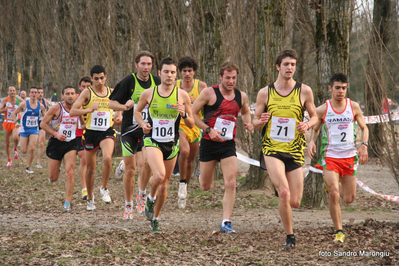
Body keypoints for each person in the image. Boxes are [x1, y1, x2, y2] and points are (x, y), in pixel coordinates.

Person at [253, 49, 318, 249]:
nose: (290, 68)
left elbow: (315, 117)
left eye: (293, 65)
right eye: (286, 64)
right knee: (284, 193)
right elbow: (255, 122)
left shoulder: (304, 91)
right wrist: (260, 121)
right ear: (278, 67)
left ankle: (281, 190)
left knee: (296, 201)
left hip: (295, 149)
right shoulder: (265, 92)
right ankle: (290, 237)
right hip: (272, 148)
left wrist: (307, 125)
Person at [192, 62, 254, 234]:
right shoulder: (209, 93)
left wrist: (247, 122)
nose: (231, 81)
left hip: (227, 144)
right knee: (205, 186)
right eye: (227, 77)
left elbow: (246, 111)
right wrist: (208, 130)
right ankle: (201, 175)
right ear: (220, 77)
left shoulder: (241, 96)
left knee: (231, 183)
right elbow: (192, 113)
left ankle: (226, 221)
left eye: (234, 78)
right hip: (209, 142)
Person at [134, 57, 194, 233]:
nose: (169, 75)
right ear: (160, 73)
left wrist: (184, 115)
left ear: (177, 75)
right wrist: (142, 124)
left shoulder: (182, 96)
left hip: (171, 143)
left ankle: (156, 218)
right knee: (159, 177)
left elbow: (191, 123)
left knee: (165, 184)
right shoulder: (149, 93)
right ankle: (150, 198)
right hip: (152, 140)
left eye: (173, 72)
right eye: (166, 72)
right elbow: (137, 111)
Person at [308, 73, 369, 243]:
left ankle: (333, 185)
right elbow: (316, 129)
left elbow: (365, 128)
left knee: (349, 198)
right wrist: (311, 142)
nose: (340, 91)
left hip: (349, 156)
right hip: (331, 156)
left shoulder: (354, 106)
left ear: (346, 88)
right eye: (337, 88)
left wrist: (364, 145)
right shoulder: (323, 109)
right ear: (330, 89)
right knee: (334, 193)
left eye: (343, 88)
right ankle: (339, 231)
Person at [109, 51, 161, 219]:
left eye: (149, 64)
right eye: (143, 64)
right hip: (130, 130)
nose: (146, 67)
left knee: (147, 164)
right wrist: (124, 106)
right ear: (136, 65)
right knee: (131, 170)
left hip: (149, 130)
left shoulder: (157, 82)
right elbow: (111, 102)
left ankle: (141, 194)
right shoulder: (128, 81)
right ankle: (128, 205)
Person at [70, 65, 115, 210]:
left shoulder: (111, 92)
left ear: (105, 77)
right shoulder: (86, 93)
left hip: (107, 131)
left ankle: (104, 188)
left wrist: (119, 115)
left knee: (107, 158)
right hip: (90, 133)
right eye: (96, 79)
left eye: (102, 78)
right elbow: (73, 111)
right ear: (92, 79)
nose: (99, 81)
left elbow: (120, 107)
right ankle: (90, 197)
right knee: (90, 169)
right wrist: (89, 109)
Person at [175, 56, 207, 209]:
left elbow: (207, 105)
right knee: (185, 151)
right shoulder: (175, 85)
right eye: (184, 71)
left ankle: (184, 188)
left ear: (194, 72)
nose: (187, 74)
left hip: (194, 125)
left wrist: (195, 101)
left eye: (190, 71)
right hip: (179, 123)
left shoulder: (201, 86)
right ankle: (181, 183)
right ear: (180, 72)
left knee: (190, 161)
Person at [40, 85, 79, 211]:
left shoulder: (78, 108)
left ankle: (67, 202)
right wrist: (55, 133)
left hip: (71, 143)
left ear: (76, 95)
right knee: (53, 177)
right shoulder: (57, 108)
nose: (70, 96)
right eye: (67, 93)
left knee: (70, 172)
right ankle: (56, 169)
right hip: (56, 143)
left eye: (72, 93)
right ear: (62, 96)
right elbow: (43, 124)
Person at [12, 87, 46, 173]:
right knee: (24, 151)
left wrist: (45, 123)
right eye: (32, 92)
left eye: (35, 92)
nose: (34, 94)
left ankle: (28, 167)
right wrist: (16, 122)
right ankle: (17, 147)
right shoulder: (24, 104)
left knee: (32, 148)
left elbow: (45, 117)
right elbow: (14, 113)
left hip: (34, 129)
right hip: (24, 129)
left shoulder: (41, 106)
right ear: (29, 94)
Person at [76, 76, 91, 200]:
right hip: (78, 133)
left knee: (90, 162)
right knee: (84, 159)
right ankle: (84, 188)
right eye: (83, 87)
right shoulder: (76, 99)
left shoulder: (97, 98)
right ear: (79, 87)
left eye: (88, 86)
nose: (85, 89)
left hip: (92, 132)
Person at [0, 86, 23, 167]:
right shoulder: (5, 100)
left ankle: (15, 148)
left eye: (13, 90)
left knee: (16, 137)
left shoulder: (19, 100)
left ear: (16, 91)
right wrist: (4, 109)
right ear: (8, 92)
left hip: (16, 122)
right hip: (7, 122)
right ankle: (9, 160)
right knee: (7, 143)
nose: (12, 92)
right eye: (10, 91)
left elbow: (25, 107)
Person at [36, 87, 50, 169]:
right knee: (33, 145)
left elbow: (49, 112)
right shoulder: (31, 102)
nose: (40, 94)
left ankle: (38, 162)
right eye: (39, 92)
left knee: (41, 143)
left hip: (41, 123)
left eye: (42, 92)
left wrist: (49, 119)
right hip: (32, 124)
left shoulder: (46, 102)